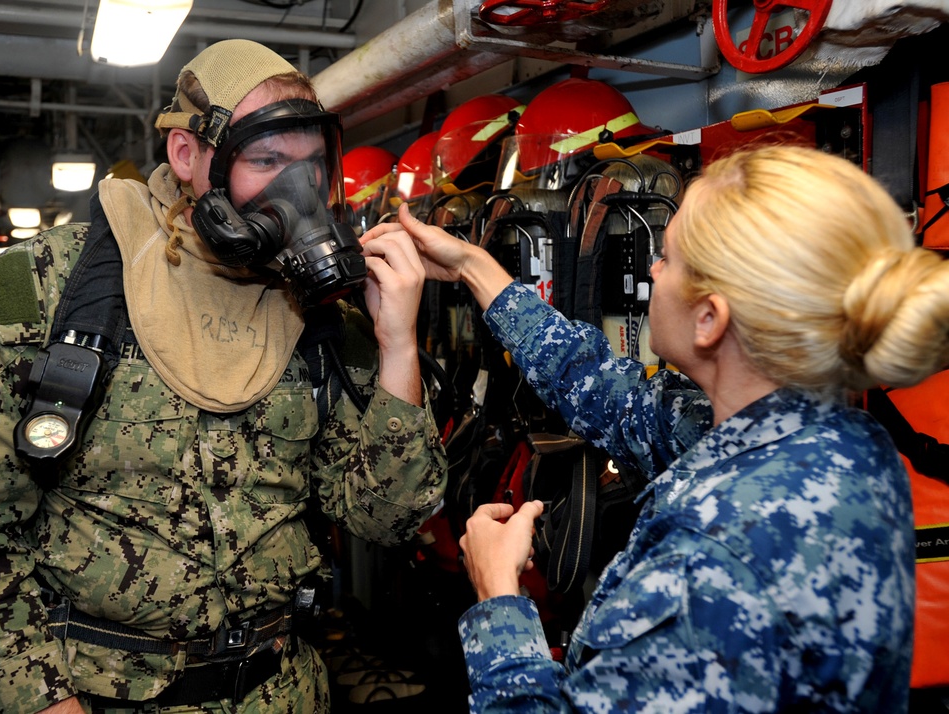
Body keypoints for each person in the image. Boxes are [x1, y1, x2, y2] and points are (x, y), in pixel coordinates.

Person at [0, 39, 447, 713]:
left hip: (282, 693)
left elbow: (392, 518)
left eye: (310, 166)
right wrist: (42, 702)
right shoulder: (45, 291)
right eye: (266, 160)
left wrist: (397, 346)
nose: (293, 193)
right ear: (187, 156)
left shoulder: (317, 318)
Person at [364, 143, 949, 712]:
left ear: (709, 318)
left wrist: (497, 594)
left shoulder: (711, 561)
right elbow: (599, 387)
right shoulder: (841, 443)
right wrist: (473, 267)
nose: (651, 267)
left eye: (666, 256)